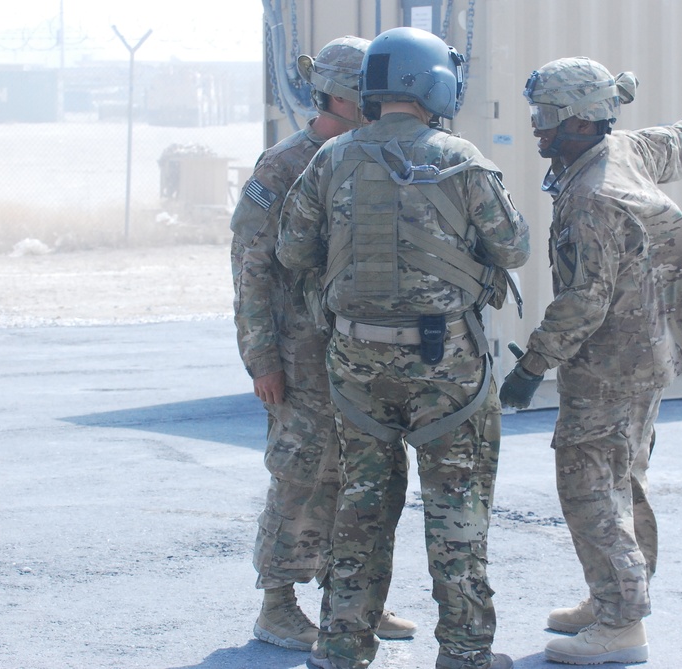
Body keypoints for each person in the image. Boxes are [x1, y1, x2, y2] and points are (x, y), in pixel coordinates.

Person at [277, 26, 529, 669]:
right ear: (433, 84)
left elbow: (291, 251)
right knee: (457, 504)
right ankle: (465, 653)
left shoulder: (328, 161)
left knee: (362, 503)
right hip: (447, 367)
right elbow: (515, 247)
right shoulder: (461, 158)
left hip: (356, 366)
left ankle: (340, 647)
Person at [499, 57, 682, 665]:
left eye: (546, 118)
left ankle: (622, 626)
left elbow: (584, 301)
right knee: (622, 478)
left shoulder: (593, 197)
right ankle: (614, 599)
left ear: (578, 121)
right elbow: (667, 143)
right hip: (648, 351)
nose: (537, 129)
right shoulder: (616, 149)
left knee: (588, 486)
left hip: (610, 365)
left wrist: (531, 367)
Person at [229, 35, 416, 652]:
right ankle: (277, 603)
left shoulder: (372, 155)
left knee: (363, 476)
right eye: (372, 91)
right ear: (342, 93)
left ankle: (352, 601)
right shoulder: (284, 164)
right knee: (301, 474)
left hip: (363, 353)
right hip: (300, 357)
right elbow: (250, 267)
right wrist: (261, 359)